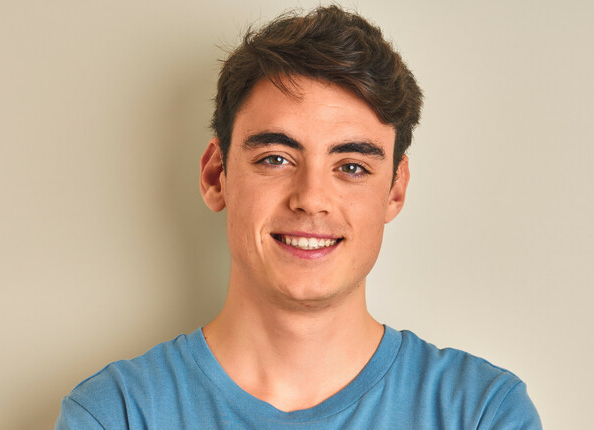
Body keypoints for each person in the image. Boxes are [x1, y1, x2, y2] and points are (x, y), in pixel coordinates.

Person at [56, 6, 541, 429]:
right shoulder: (115, 414)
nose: (311, 199)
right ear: (215, 176)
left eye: (351, 167)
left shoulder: (480, 413)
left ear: (395, 190)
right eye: (275, 158)